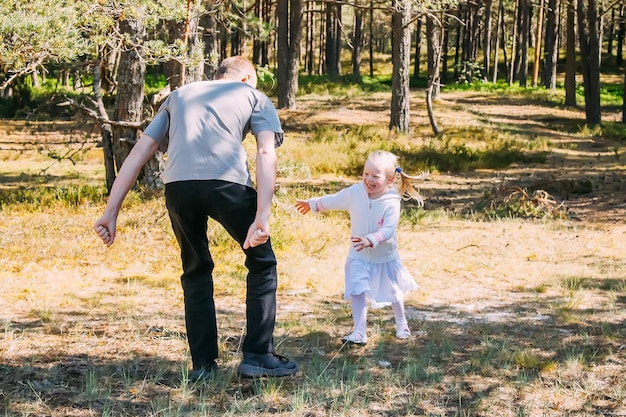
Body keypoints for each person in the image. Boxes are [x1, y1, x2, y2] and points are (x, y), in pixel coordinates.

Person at [94, 56, 298, 379]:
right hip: (227, 184)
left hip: (178, 188)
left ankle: (203, 366)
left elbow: (139, 153)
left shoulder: (178, 97)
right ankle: (258, 355)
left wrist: (110, 212)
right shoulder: (254, 96)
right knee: (262, 262)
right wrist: (262, 216)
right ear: (246, 79)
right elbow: (265, 151)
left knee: (195, 269)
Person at [295, 150, 428, 346]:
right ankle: (359, 331)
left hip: (385, 256)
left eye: (375, 176)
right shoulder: (355, 193)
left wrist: (371, 239)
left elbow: (389, 229)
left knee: (394, 291)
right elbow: (335, 199)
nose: (368, 179)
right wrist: (312, 204)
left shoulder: (391, 201)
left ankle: (402, 324)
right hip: (358, 254)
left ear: (390, 180)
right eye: (366, 174)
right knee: (357, 289)